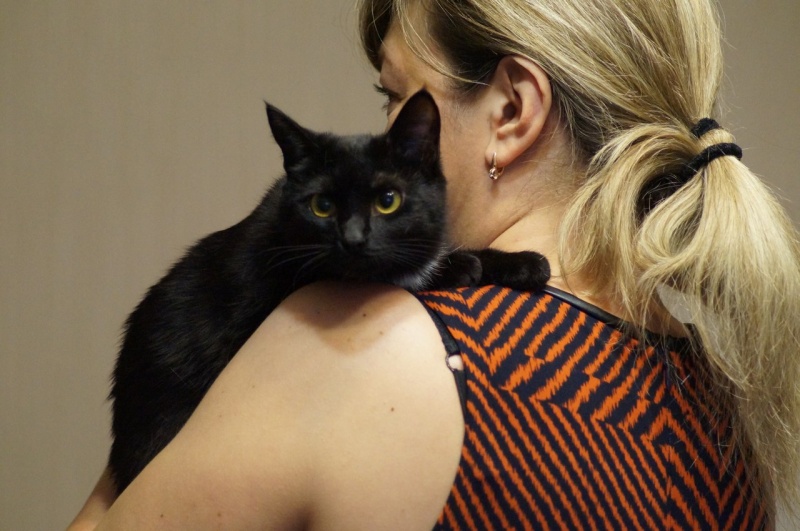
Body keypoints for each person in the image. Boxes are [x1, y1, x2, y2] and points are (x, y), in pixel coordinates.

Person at [70, 0, 800, 528]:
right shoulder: (732, 422)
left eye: (395, 95)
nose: (389, 127)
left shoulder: (361, 344)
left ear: (511, 110)